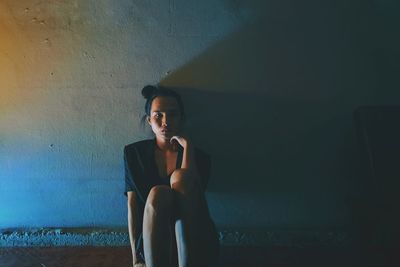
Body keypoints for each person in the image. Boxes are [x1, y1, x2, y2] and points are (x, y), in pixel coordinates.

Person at [124, 85, 219, 267]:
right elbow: (132, 206)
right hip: (152, 236)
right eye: (158, 115)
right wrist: (136, 258)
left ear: (182, 119)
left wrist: (188, 149)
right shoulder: (133, 154)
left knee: (180, 178)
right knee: (158, 193)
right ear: (149, 120)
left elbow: (192, 203)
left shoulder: (200, 157)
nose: (165, 122)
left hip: (196, 240)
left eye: (173, 114)